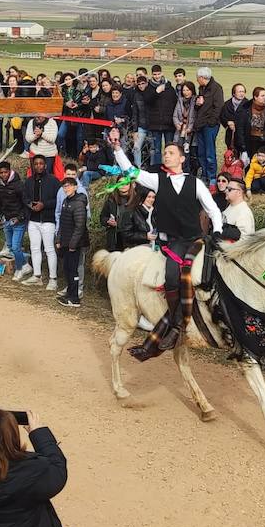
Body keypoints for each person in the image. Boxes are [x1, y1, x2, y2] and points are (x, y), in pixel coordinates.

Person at [108, 131, 226, 360]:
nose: (167, 156)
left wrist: (218, 232)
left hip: (195, 240)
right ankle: (175, 325)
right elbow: (131, 172)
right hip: (172, 242)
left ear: (182, 158)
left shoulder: (196, 183)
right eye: (165, 153)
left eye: (171, 153)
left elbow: (213, 210)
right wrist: (117, 149)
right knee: (172, 276)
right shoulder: (157, 180)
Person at [18, 154, 63, 290]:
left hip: (48, 220)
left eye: (41, 163)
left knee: (49, 249)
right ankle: (37, 276)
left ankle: (53, 279)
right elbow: (24, 197)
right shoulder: (29, 181)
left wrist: (44, 204)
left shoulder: (54, 181)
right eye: (36, 163)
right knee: (35, 248)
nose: (38, 166)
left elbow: (58, 200)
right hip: (33, 220)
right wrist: (29, 204)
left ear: (45, 165)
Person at [55, 178, 88, 307]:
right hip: (66, 242)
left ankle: (74, 298)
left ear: (75, 187)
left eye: (68, 186)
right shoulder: (65, 201)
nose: (66, 189)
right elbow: (62, 223)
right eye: (64, 187)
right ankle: (70, 292)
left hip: (74, 244)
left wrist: (73, 244)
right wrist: (59, 239)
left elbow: (80, 226)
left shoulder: (79, 203)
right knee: (67, 268)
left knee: (73, 270)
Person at [0, 160, 29, 272]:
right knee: (11, 247)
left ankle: (19, 269)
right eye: (1, 173)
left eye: (5, 172)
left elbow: (26, 203)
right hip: (7, 220)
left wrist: (20, 218)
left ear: (9, 171)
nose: (3, 175)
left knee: (16, 247)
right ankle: (25, 266)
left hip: (19, 221)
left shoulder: (19, 185)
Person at [193, 67, 224, 185]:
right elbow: (199, 106)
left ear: (202, 78)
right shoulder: (201, 88)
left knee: (210, 152)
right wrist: (197, 103)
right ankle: (204, 175)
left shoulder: (216, 88)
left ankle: (211, 177)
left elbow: (218, 107)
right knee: (201, 152)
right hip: (200, 125)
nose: (197, 80)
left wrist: (211, 122)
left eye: (197, 78)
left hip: (210, 125)